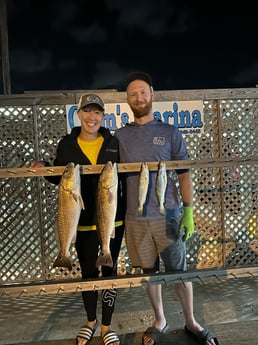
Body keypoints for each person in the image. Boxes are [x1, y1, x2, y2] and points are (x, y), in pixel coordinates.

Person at [115, 72, 219, 345]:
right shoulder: (120, 135)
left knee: (180, 271)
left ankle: (191, 321)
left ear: (153, 95)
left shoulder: (170, 132)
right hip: (135, 219)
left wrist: (188, 211)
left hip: (169, 216)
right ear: (127, 100)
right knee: (149, 273)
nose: (138, 97)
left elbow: (184, 174)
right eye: (132, 93)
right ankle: (160, 319)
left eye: (143, 92)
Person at [29, 93, 126, 345]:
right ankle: (91, 321)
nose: (92, 117)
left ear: (102, 116)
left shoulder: (113, 142)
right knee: (88, 273)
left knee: (110, 272)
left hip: (112, 221)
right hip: (81, 222)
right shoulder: (67, 144)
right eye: (87, 111)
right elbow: (62, 178)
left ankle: (107, 326)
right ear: (79, 114)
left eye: (97, 112)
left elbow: (123, 178)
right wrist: (44, 169)